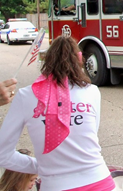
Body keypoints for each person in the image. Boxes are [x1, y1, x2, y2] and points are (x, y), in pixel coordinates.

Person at [0, 36, 114, 191]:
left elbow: (3, 154)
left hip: (56, 185)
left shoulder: (25, 96)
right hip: (100, 181)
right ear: (79, 60)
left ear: (47, 61)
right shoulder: (92, 91)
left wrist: (42, 165)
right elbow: (92, 134)